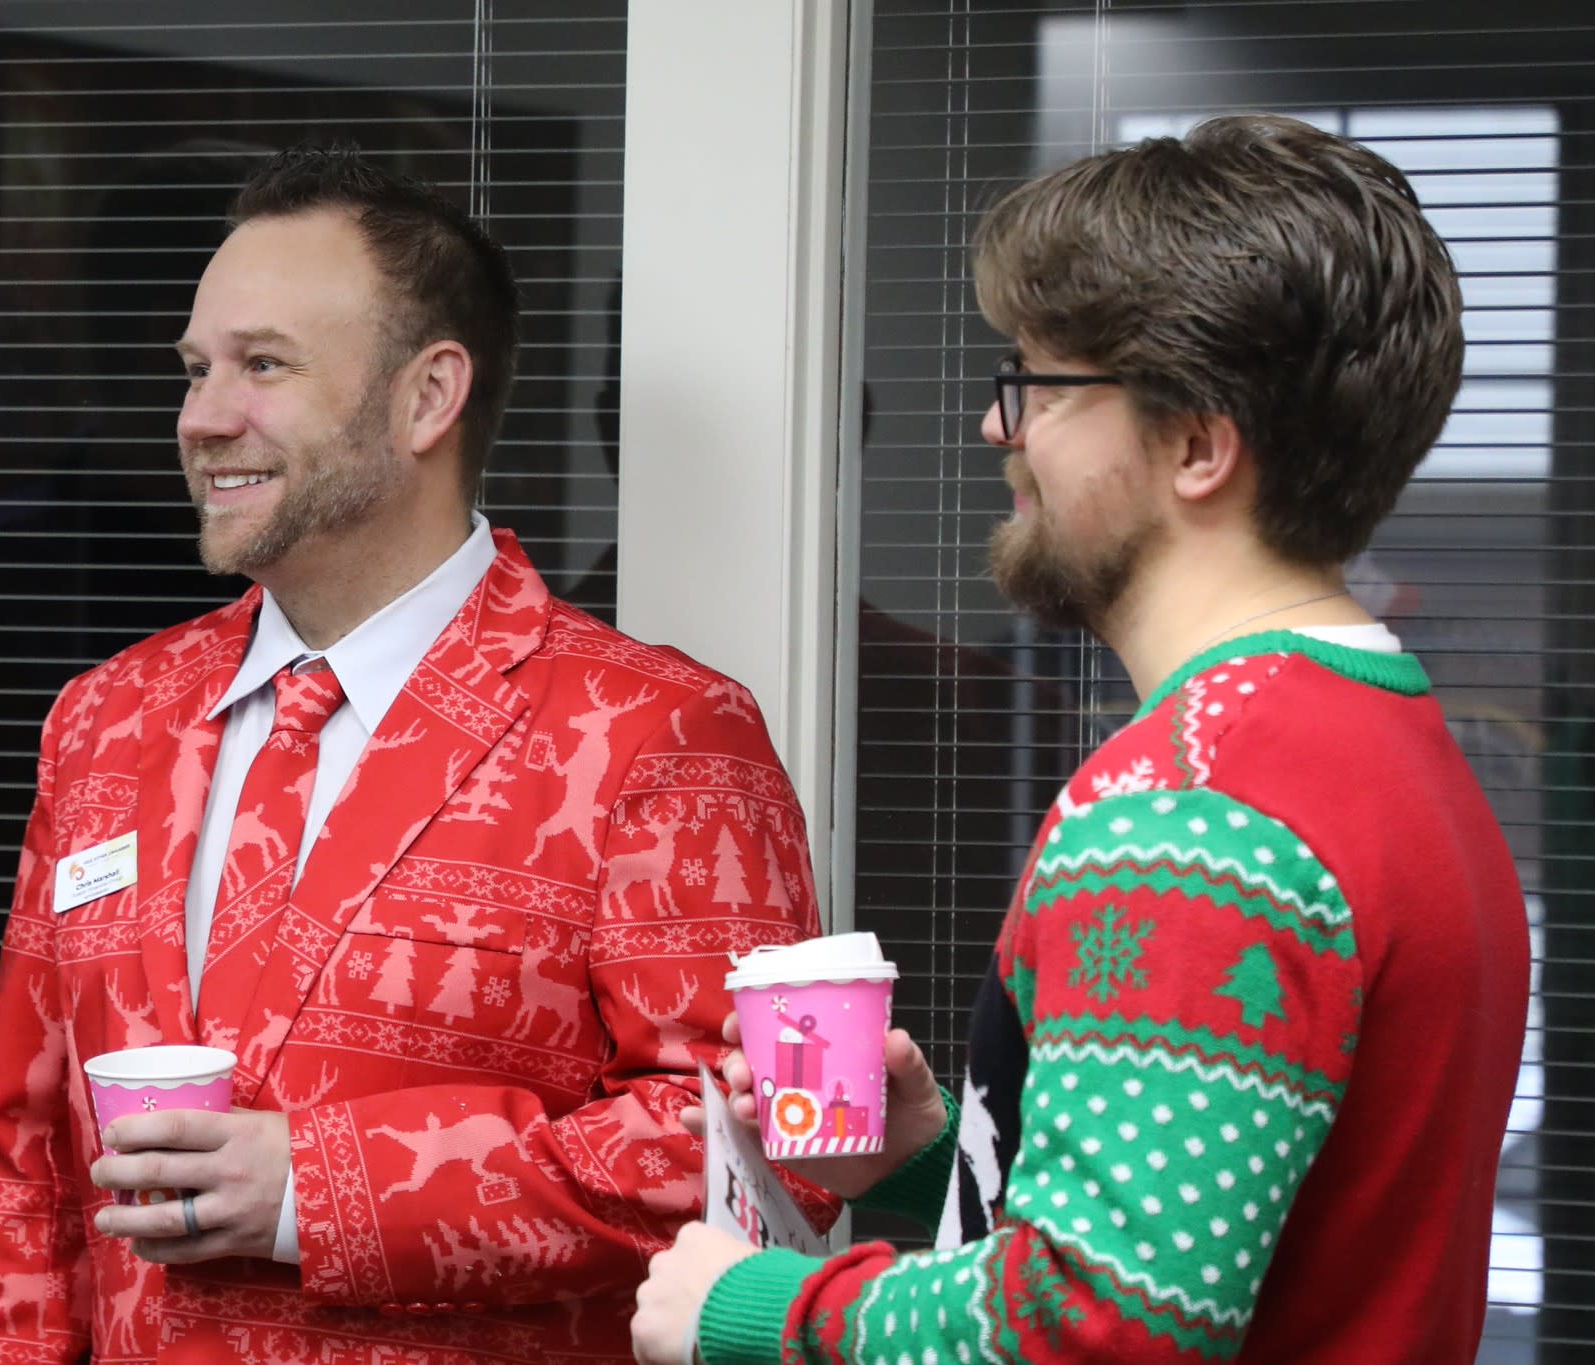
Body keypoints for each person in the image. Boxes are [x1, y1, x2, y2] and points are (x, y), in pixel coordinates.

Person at [633, 113, 1531, 1365]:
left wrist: (755, 1311)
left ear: (1196, 443)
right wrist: (936, 1151)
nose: (998, 429)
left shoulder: (1192, 805)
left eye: (1039, 387)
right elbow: (1214, 1242)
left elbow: (1099, 1326)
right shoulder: (1384, 736)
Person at [0, 143, 827, 1365]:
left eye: (262, 365)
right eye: (195, 370)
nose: (201, 418)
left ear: (428, 397)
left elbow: (760, 1151)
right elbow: (19, 1162)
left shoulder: (653, 733)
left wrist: (318, 1193)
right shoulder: (107, 721)